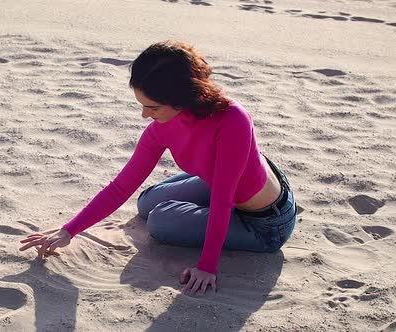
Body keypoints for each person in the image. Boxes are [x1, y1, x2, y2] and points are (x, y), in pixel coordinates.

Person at [19, 41, 297, 295]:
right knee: (146, 202)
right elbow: (121, 186)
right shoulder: (161, 128)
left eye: (152, 107)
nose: (144, 115)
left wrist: (207, 266)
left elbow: (223, 200)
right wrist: (69, 231)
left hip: (265, 222)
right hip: (224, 183)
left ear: (181, 98)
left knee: (160, 220)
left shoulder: (232, 118)